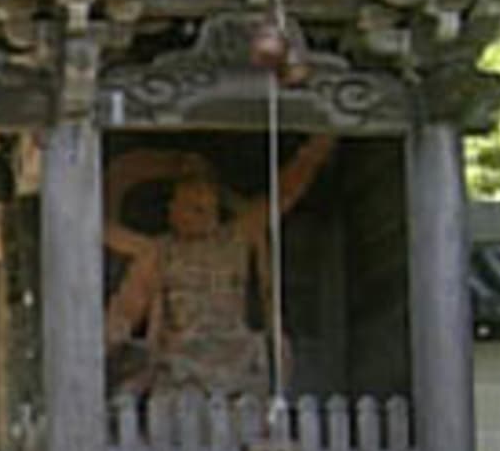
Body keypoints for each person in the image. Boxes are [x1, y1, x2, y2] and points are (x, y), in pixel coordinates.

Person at [104, 136, 334, 398]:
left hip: (237, 354)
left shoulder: (236, 238)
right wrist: (110, 341)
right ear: (172, 209)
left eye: (205, 206)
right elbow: (126, 309)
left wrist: (312, 154)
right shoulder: (158, 252)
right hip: (180, 358)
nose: (199, 211)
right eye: (190, 205)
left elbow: (282, 197)